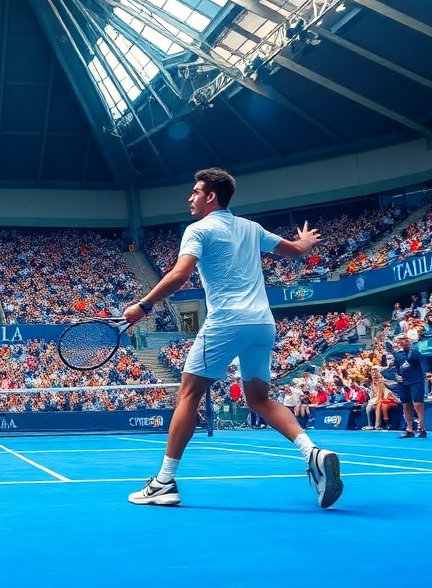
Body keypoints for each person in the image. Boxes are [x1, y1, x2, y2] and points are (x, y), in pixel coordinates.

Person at [122, 168, 340, 509]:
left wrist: (143, 305)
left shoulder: (198, 230)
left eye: (195, 192)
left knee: (188, 394)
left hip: (227, 321)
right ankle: (312, 452)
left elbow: (180, 274)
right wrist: (306, 242)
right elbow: (296, 251)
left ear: (211, 196)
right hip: (262, 324)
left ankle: (164, 482)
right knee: (259, 399)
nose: (190, 197)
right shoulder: (251, 228)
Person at [391, 335, 427, 437]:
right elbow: (396, 368)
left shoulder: (415, 352)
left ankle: (422, 427)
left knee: (417, 404)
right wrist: (397, 376)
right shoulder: (398, 355)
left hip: (416, 381)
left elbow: (414, 360)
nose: (400, 342)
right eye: (399, 340)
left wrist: (409, 346)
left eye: (403, 339)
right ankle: (410, 429)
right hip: (404, 382)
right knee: (406, 404)